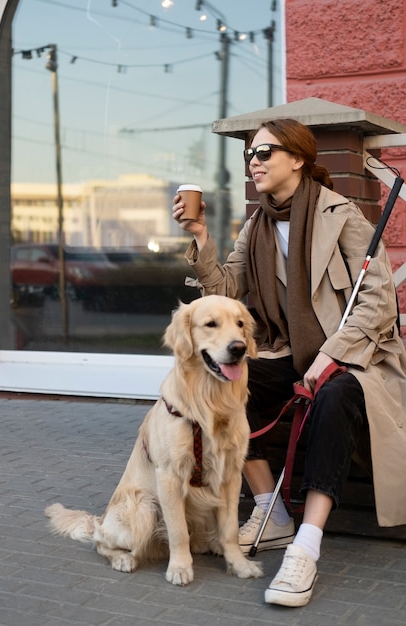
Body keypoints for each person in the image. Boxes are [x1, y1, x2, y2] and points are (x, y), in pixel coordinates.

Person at [172, 118, 406, 607]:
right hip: (287, 349)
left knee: (336, 395)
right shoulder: (256, 224)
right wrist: (199, 235)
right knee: (235, 380)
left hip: (355, 354)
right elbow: (227, 293)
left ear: (298, 159)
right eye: (249, 156)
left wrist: (331, 355)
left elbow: (379, 299)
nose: (253, 163)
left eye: (264, 154)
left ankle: (306, 545)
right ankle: (271, 508)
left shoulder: (341, 216)